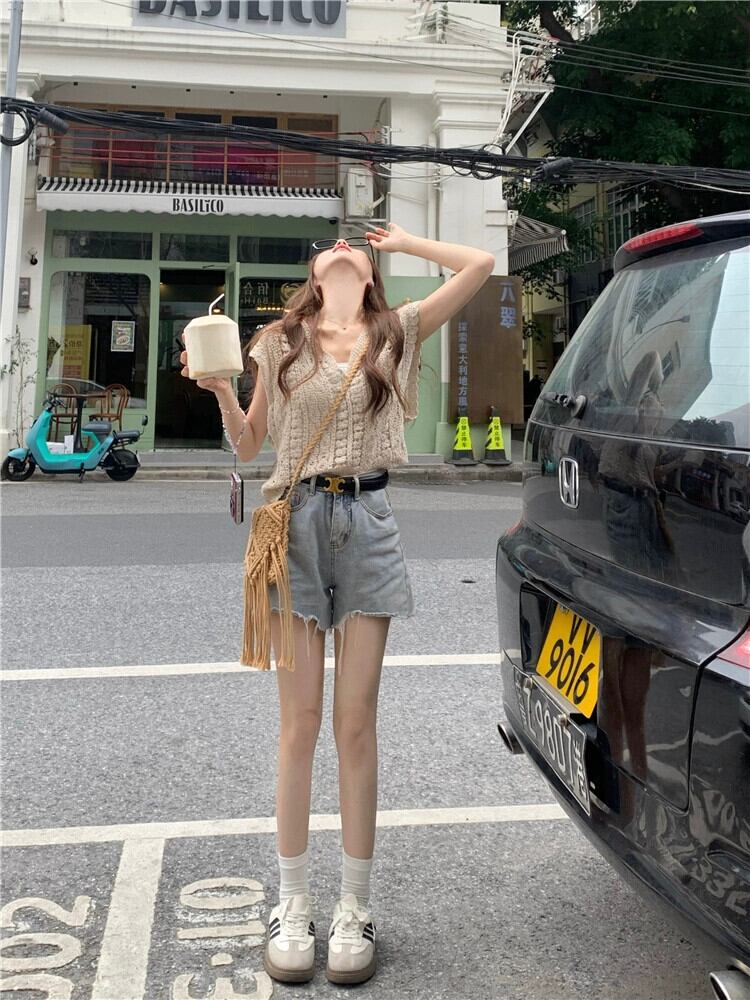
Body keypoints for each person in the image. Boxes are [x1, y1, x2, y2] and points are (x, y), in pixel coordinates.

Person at [180, 222, 494, 986]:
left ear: (368, 272)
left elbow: (481, 263)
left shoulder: (398, 330)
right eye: (336, 245)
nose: (348, 246)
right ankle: (292, 903)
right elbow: (250, 446)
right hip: (293, 525)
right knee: (300, 726)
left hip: (370, 523)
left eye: (361, 246)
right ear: (317, 272)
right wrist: (220, 389)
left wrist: (407, 242)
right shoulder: (277, 342)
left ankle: (354, 906)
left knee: (356, 724)